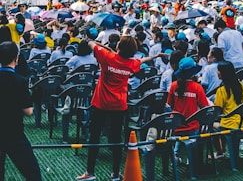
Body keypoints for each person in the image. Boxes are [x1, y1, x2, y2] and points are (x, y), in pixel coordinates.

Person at [76, 36, 166, 181]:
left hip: (101, 104)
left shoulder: (107, 56)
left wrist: (93, 42)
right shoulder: (131, 64)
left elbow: (90, 43)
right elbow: (140, 61)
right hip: (119, 105)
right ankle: (116, 173)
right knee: (117, 140)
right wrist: (155, 56)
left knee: (94, 137)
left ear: (119, 47)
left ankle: (90, 172)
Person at [0, 41, 42, 181]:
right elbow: (29, 111)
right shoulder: (19, 81)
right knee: (33, 173)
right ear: (16, 58)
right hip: (14, 133)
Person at [167, 57, 208, 161]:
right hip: (193, 126)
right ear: (192, 73)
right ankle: (191, 162)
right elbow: (205, 107)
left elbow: (169, 105)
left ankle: (176, 157)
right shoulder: (197, 87)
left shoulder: (173, 86)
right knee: (191, 144)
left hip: (176, 126)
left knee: (179, 140)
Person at [213, 60, 243, 157]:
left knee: (211, 126)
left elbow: (218, 109)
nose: (217, 72)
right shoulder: (240, 86)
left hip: (228, 124)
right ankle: (222, 150)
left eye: (218, 70)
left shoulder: (222, 90)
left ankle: (220, 151)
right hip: (242, 122)